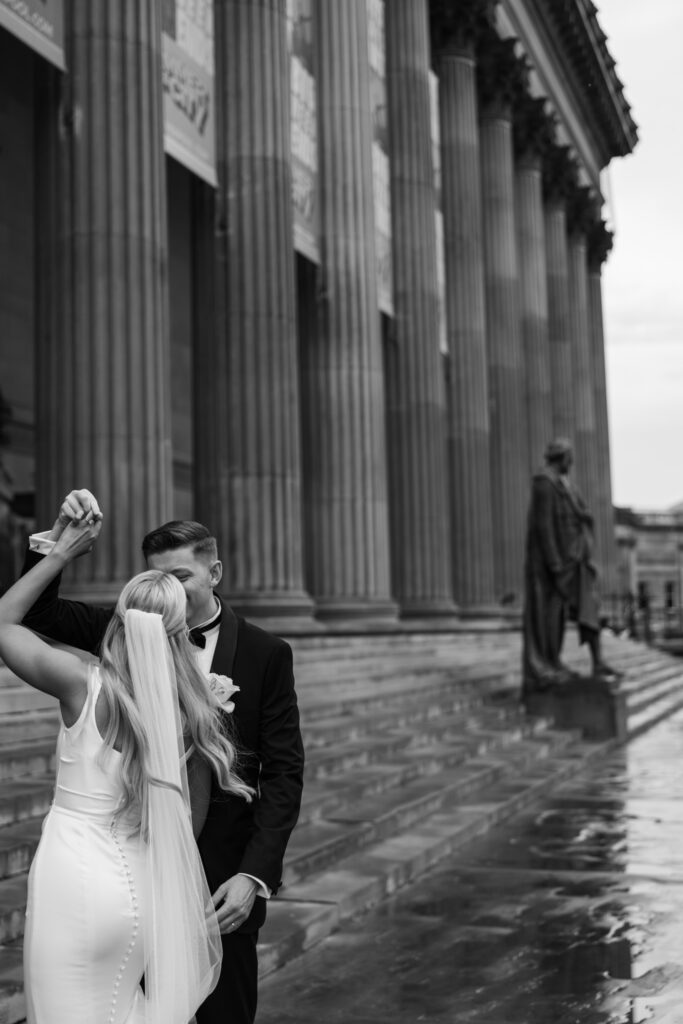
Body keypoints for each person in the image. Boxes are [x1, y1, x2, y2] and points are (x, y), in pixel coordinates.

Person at [21, 490, 305, 1024]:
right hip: (134, 878)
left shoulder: (268, 654)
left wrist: (254, 876)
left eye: (182, 577)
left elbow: (284, 772)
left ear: (215, 571)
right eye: (159, 578)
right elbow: (32, 610)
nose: (168, 592)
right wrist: (57, 540)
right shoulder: (123, 627)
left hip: (220, 889)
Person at [522, 438, 622, 695]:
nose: (573, 461)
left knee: (590, 607)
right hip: (555, 563)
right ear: (561, 457)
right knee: (549, 615)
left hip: (575, 559)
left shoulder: (567, 485)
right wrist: (554, 562)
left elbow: (582, 513)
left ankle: (597, 662)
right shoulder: (544, 483)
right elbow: (543, 525)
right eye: (570, 456)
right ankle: (547, 663)